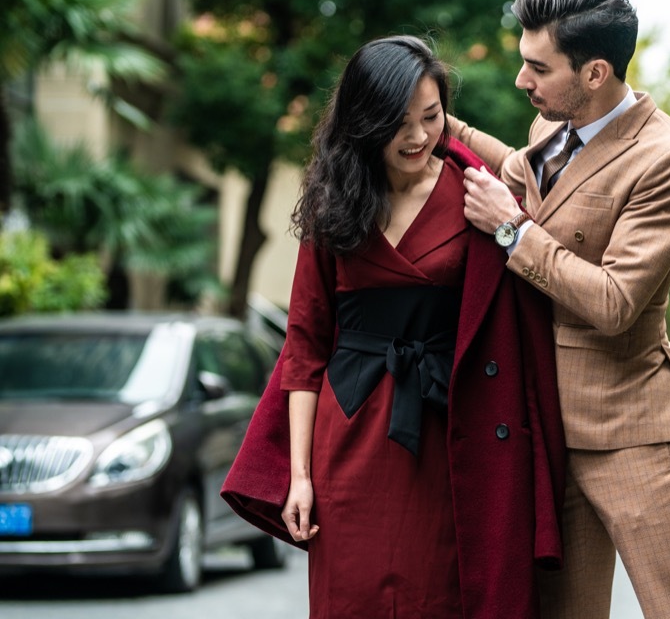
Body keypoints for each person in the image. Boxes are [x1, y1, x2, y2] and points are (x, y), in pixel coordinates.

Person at [221, 35, 566, 619]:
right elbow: (305, 347)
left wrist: (508, 225)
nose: (416, 137)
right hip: (348, 433)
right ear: (363, 123)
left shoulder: (477, 196)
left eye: (431, 118)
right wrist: (299, 478)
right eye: (397, 123)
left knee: (441, 596)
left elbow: (515, 319)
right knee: (350, 598)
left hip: (443, 435)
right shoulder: (335, 199)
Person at [451, 0, 670, 619]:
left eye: (538, 67)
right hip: (545, 425)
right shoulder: (551, 126)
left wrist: (511, 231)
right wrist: (430, 116)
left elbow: (616, 302)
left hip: (633, 432)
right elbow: (517, 170)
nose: (522, 81)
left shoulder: (669, 158)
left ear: (595, 72)